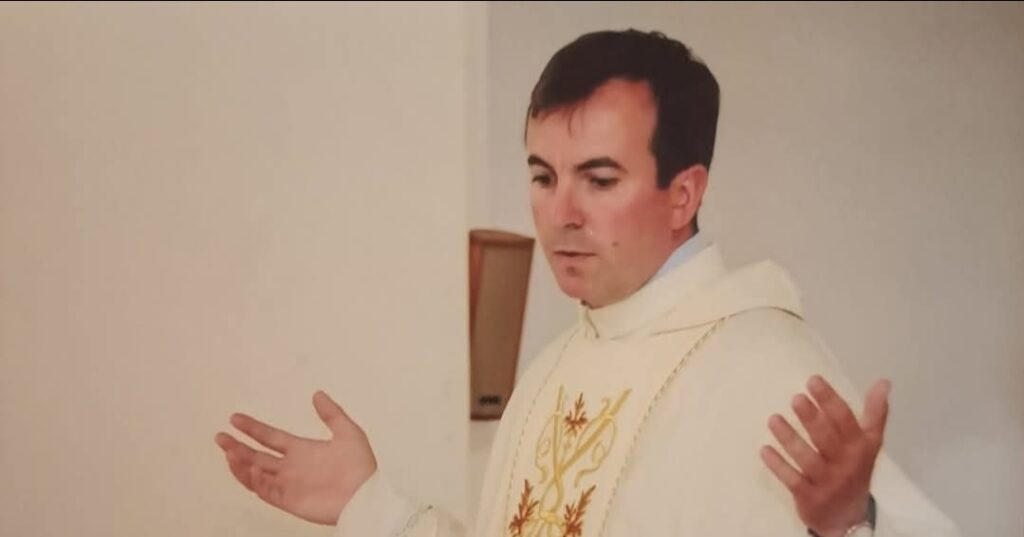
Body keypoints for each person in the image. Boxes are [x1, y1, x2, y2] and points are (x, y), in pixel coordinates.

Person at [214, 29, 959, 537]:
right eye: (544, 177)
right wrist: (368, 504)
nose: (561, 213)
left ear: (683, 194)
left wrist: (850, 524)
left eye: (599, 180)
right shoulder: (551, 372)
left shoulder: (770, 367)